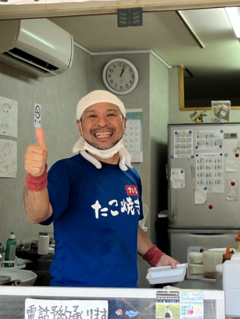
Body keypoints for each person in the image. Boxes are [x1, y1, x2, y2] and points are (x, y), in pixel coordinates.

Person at [23, 90, 178, 287]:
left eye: (111, 114)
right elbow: (37, 215)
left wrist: (156, 257)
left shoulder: (131, 175)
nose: (102, 122)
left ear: (124, 123)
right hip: (77, 297)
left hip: (125, 294)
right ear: (80, 126)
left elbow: (127, 225)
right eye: (92, 115)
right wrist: (36, 177)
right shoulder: (68, 171)